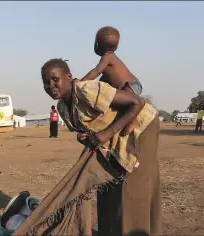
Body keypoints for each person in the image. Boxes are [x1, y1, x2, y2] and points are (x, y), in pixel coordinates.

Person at [39, 59, 161, 235]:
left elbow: (137, 103)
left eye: (55, 79)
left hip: (142, 128)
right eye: (46, 82)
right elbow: (91, 128)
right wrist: (85, 138)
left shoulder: (86, 90)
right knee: (110, 191)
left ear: (69, 77)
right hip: (116, 134)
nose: (51, 85)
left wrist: (105, 134)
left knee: (132, 189)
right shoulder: (63, 108)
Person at [80, 26, 143, 134]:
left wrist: (82, 82)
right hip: (128, 86)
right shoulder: (109, 59)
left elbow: (96, 71)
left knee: (127, 102)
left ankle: (133, 121)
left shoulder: (107, 57)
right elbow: (102, 81)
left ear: (97, 44)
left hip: (131, 85)